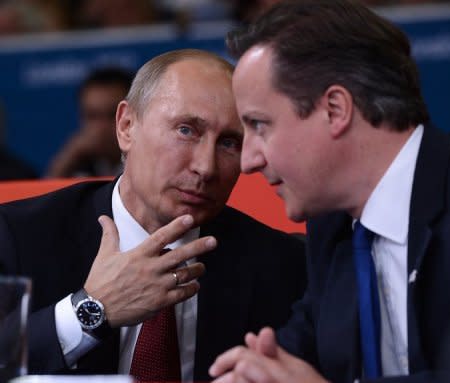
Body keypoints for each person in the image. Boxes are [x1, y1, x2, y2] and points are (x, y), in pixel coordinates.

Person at [209, 1, 450, 382]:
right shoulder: (331, 227)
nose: (248, 160)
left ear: (336, 110)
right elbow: (295, 352)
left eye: (259, 125)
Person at [0, 49, 306, 381]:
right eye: (186, 130)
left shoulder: (283, 265)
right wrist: (90, 310)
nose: (206, 167)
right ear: (127, 126)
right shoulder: (18, 236)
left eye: (229, 143)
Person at [46, 67, 133, 178]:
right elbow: (47, 193)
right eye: (92, 116)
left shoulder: (150, 162)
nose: (102, 127)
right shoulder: (76, 165)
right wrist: (66, 160)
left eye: (113, 115)